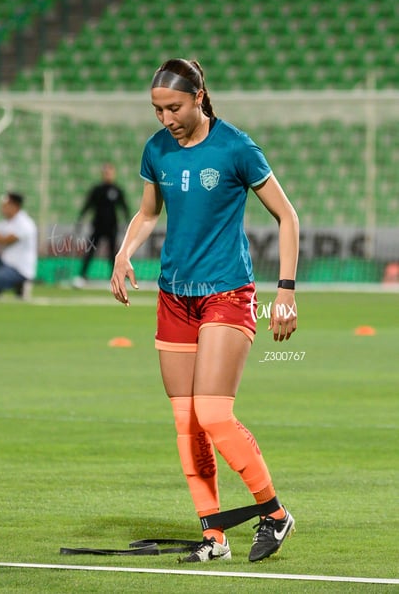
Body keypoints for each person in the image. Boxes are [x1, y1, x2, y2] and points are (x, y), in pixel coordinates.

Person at [111, 59, 299, 563]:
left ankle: (275, 515)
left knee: (213, 415)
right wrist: (124, 251)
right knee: (186, 423)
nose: (165, 118)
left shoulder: (236, 147)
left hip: (226, 293)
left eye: (173, 107)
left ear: (198, 97)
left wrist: (286, 290)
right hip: (174, 296)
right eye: (157, 110)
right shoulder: (156, 151)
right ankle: (214, 537)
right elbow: (149, 213)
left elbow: (287, 215)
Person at [73, 163, 130, 287]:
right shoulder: (97, 190)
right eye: (105, 173)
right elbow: (88, 205)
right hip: (97, 226)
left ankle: (115, 278)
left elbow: (124, 207)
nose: (107, 175)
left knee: (113, 254)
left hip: (112, 227)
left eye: (110, 172)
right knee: (90, 251)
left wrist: (128, 222)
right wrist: (80, 219)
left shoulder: (117, 190)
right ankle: (82, 276)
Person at [0, 192, 37, 297]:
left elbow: (6, 240)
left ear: (14, 206)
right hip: (5, 263)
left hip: (19, 269)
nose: (2, 208)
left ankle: (21, 284)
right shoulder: (6, 223)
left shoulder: (25, 223)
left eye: (5, 205)